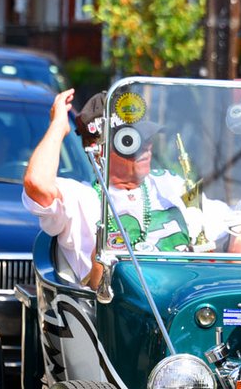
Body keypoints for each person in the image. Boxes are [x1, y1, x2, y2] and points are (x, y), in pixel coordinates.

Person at [23, 89, 226, 284]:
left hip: (186, 299)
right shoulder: (81, 197)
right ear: (99, 150)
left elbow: (229, 222)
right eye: (131, 141)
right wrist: (58, 126)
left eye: (147, 136)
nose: (146, 146)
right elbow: (37, 183)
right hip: (118, 310)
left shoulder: (172, 184)